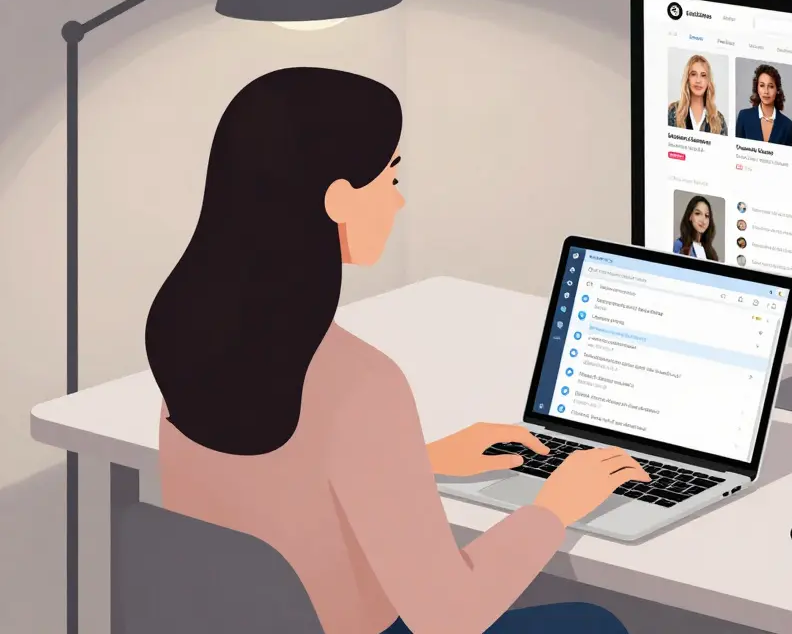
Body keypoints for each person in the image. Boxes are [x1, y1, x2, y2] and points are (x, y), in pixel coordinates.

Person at [146, 67, 640, 634]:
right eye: (390, 178)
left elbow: (274, 489)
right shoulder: (359, 383)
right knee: (595, 623)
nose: (399, 201)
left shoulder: (190, 331)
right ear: (338, 200)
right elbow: (449, 617)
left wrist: (412, 462)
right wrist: (554, 507)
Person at [734, 63, 792, 146]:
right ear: (757, 88)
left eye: (771, 86)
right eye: (762, 85)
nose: (766, 91)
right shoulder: (744, 117)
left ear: (777, 90)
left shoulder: (788, 125)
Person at [666, 54, 727, 135]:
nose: (698, 80)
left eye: (703, 75)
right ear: (688, 79)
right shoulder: (673, 111)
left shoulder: (719, 120)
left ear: (708, 81)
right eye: (693, 74)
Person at [672, 195, 719, 261]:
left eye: (707, 216)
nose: (703, 220)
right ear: (690, 216)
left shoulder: (710, 252)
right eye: (698, 213)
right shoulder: (680, 245)